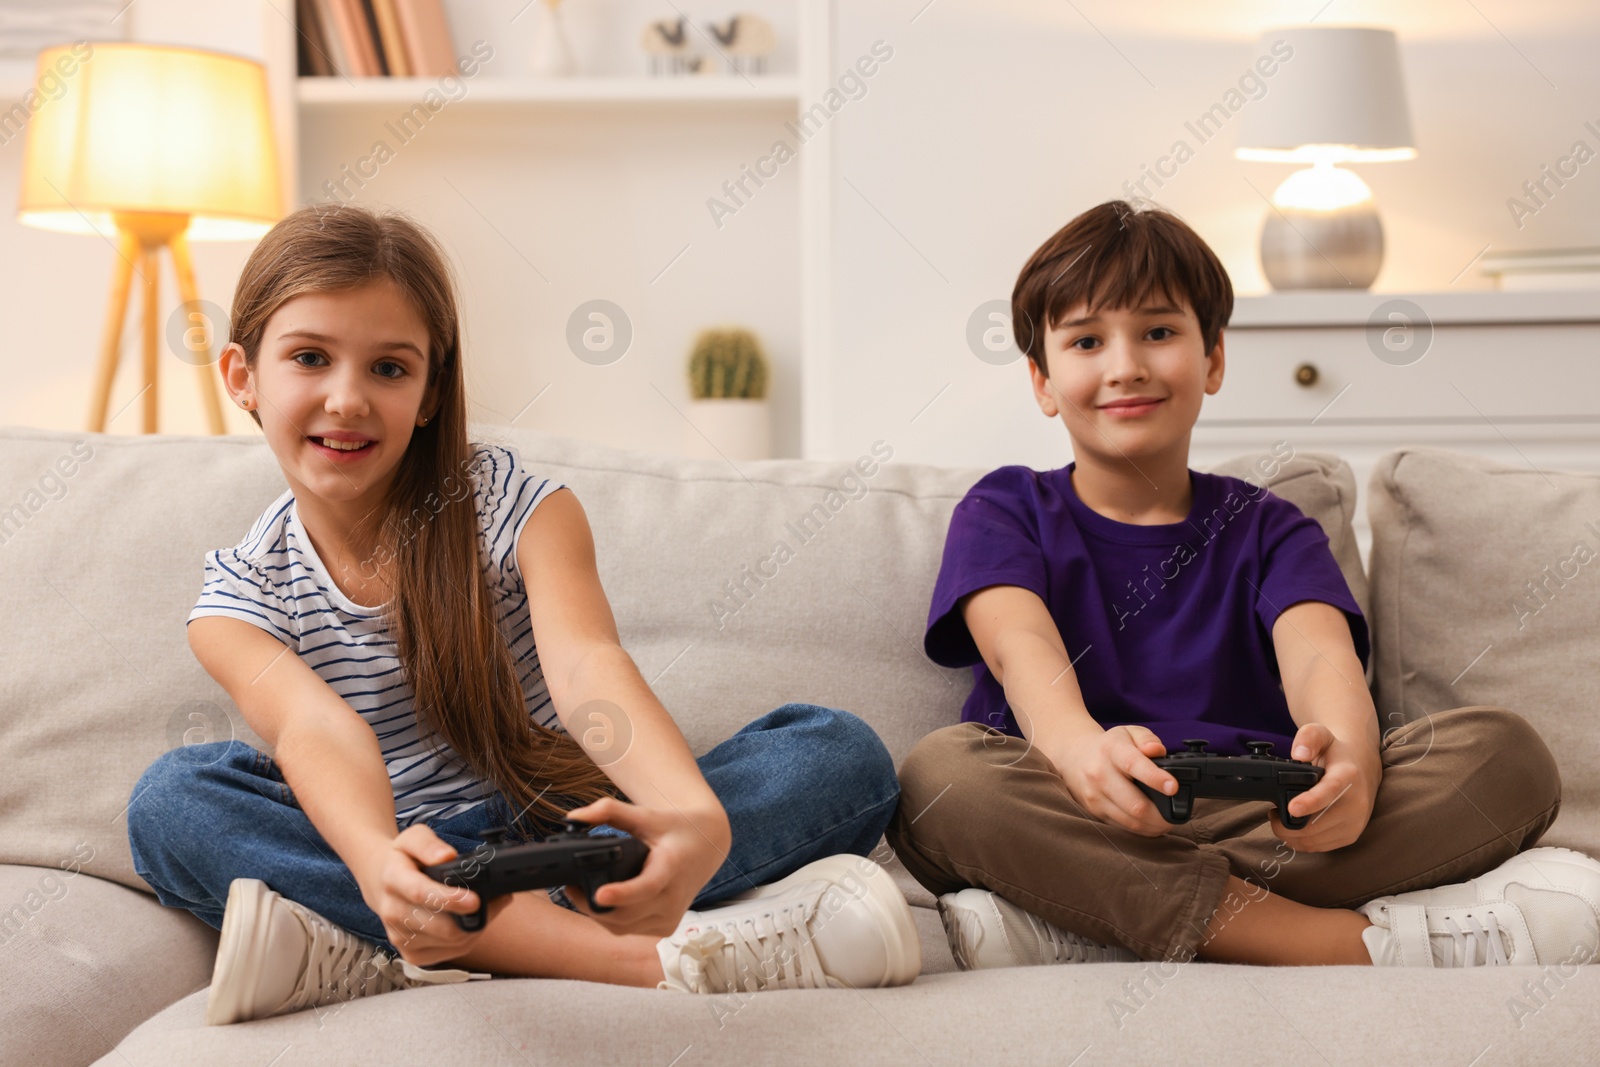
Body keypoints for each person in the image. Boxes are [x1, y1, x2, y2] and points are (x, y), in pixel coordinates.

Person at [128, 204, 919, 1026]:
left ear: (432, 390)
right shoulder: (238, 596)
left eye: (390, 369)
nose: (347, 397)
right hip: (407, 855)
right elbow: (315, 733)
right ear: (241, 375)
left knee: (839, 751)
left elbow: (587, 671)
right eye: (309, 357)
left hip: (562, 830)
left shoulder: (518, 506)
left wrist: (694, 818)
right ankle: (639, 958)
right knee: (174, 801)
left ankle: (406, 952)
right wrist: (375, 864)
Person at [886, 199, 1600, 972]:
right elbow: (1020, 651)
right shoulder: (1005, 506)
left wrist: (1352, 766)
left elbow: (1321, 661)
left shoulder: (1272, 526)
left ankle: (1082, 918)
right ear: (1043, 379)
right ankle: (1344, 943)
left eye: (1159, 332)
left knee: (1507, 754)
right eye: (1087, 340)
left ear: (1213, 358)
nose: (1125, 364)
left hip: (1268, 819)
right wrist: (1080, 749)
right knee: (940, 778)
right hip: (1075, 807)